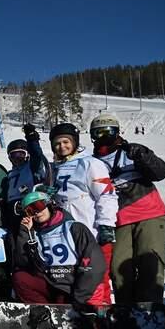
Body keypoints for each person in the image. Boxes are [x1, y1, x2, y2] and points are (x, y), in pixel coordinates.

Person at [90, 113, 165, 304]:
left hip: (148, 213)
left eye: (108, 131)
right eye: (98, 133)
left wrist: (143, 156)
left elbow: (160, 172)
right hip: (118, 219)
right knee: (118, 269)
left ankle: (150, 313)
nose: (104, 136)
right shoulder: (92, 162)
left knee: (150, 265)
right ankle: (126, 311)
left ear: (117, 132)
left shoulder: (132, 152)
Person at [46, 123, 118, 304]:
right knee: (73, 278)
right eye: (57, 144)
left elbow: (106, 195)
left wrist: (106, 225)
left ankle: (102, 316)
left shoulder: (89, 163)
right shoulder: (54, 168)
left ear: (75, 142)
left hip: (91, 231)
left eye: (66, 142)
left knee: (97, 278)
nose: (61, 147)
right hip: (66, 235)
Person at [12, 191, 108, 309]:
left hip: (75, 287)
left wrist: (79, 297)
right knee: (21, 278)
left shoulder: (74, 228)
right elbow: (23, 262)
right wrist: (25, 232)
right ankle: (44, 312)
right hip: (54, 285)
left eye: (38, 206)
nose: (36, 212)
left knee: (65, 303)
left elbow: (95, 265)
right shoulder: (35, 233)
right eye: (30, 211)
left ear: (49, 204)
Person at [0, 125, 50, 232]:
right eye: (14, 155)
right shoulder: (10, 174)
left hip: (29, 207)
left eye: (20, 154)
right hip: (11, 210)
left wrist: (32, 139)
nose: (17, 158)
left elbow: (37, 155)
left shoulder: (32, 167)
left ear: (27, 154)